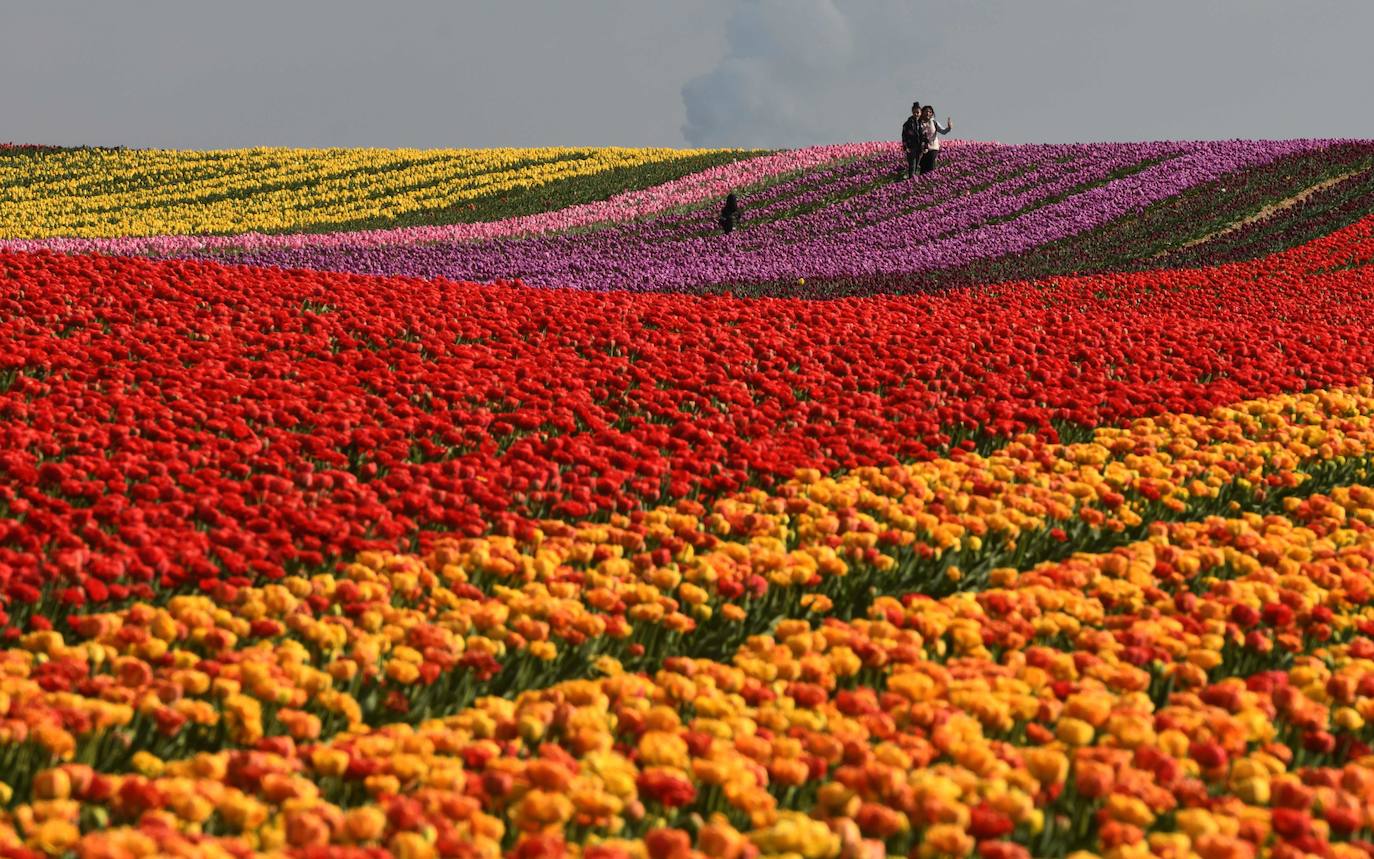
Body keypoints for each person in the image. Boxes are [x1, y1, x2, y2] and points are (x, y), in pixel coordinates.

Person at [918, 106, 953, 175]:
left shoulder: (934, 122)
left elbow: (943, 131)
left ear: (932, 114)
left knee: (931, 167)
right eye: (926, 111)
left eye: (930, 112)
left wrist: (949, 127)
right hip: (922, 149)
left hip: (933, 148)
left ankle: (931, 179)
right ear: (922, 113)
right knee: (923, 168)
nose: (928, 113)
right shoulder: (919, 123)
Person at [901, 102, 924, 179]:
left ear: (920, 113)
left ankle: (914, 179)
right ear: (912, 112)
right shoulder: (907, 124)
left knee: (917, 164)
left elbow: (925, 135)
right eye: (914, 112)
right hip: (911, 146)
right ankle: (911, 180)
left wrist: (925, 145)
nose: (916, 114)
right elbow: (904, 136)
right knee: (912, 165)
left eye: (918, 112)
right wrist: (905, 146)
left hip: (920, 147)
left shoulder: (923, 123)